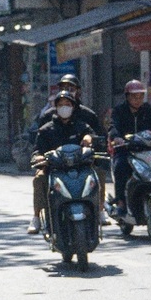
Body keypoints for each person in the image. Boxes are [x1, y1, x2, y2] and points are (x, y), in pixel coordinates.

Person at [31, 88, 102, 233]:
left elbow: (95, 139)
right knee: (39, 179)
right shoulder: (46, 129)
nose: (64, 107)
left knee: (98, 174)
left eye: (68, 104)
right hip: (54, 169)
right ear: (56, 107)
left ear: (73, 107)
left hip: (80, 169)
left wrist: (89, 138)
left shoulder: (82, 126)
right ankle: (37, 217)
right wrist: (39, 158)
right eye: (61, 104)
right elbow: (37, 151)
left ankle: (99, 211)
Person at [108, 79, 151, 220]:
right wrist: (116, 137)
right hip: (125, 150)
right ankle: (121, 202)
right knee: (120, 167)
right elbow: (113, 127)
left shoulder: (148, 110)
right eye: (134, 97)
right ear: (127, 96)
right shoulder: (119, 110)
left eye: (140, 96)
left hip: (145, 150)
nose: (137, 100)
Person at [33, 73, 101, 135]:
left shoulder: (88, 116)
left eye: (71, 89)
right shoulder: (48, 116)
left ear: (78, 91)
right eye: (63, 89)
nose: (67, 91)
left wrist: (89, 138)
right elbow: (39, 142)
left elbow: (98, 138)